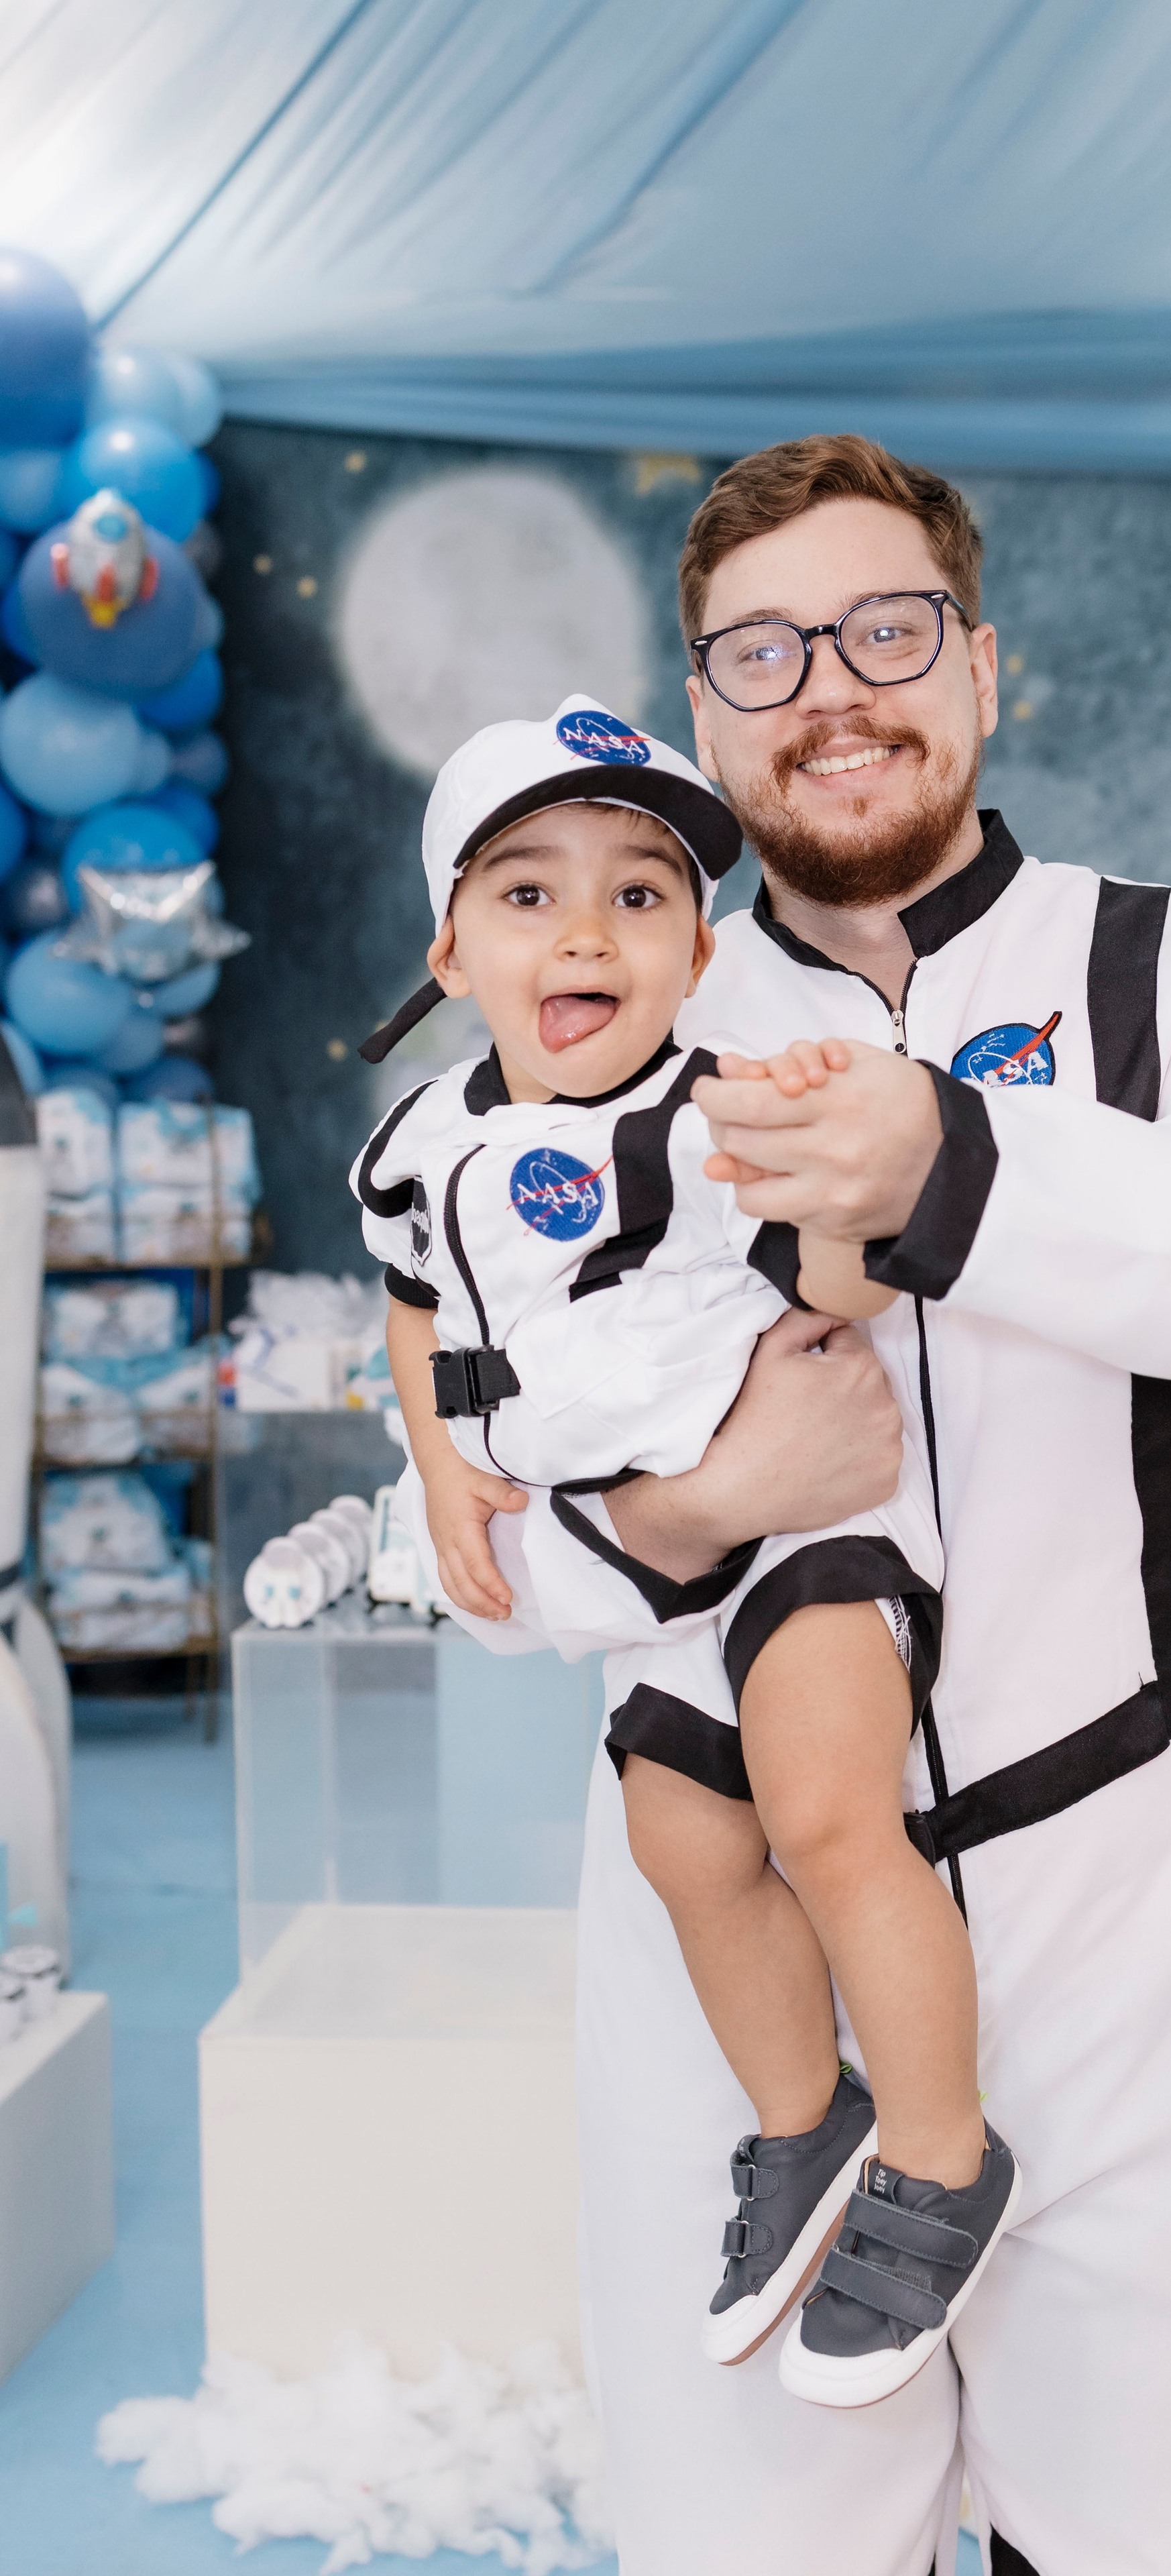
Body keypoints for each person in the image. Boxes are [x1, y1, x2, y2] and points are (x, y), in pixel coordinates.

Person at [411, 435, 1171, 2576]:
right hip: (753, 1970)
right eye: (765, 649)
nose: (834, 689)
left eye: (889, 631)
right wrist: (704, 1507)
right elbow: (489, 1565)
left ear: (981, 668)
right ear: (703, 713)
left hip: (1151, 1916)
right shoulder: (597, 1006)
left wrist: (955, 1176)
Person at [357, 695, 1018, 2406]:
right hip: (644, 1565)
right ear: (448, 948)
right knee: (683, 1849)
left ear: (699, 950)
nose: (586, 929)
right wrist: (439, 1465)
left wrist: (840, 1186)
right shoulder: (419, 1143)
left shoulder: (727, 1110)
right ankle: (810, 2121)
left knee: (818, 1815)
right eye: (528, 896)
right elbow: (416, 1295)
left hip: (811, 1521)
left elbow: (853, 1287)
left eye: (638, 896)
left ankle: (942, 2155)